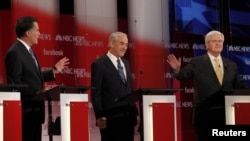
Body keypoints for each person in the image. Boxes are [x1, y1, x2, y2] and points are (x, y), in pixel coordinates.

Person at [166, 30, 248, 141]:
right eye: (214, 41)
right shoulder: (197, 62)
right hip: (205, 115)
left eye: (220, 41)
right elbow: (183, 75)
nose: (218, 43)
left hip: (227, 115)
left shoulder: (231, 64)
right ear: (206, 44)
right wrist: (177, 69)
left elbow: (239, 86)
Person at [4, 16, 70, 141]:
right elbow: (14, 85)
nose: (39, 34)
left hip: (35, 112)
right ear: (28, 33)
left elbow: (33, 77)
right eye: (37, 30)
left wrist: (54, 70)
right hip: (25, 113)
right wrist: (37, 92)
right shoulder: (15, 52)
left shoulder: (28, 51)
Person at [91, 31, 140, 141]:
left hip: (127, 117)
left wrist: (135, 112)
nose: (125, 47)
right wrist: (100, 115)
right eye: (122, 43)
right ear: (112, 44)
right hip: (110, 118)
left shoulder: (126, 63)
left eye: (126, 45)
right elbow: (96, 92)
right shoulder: (99, 64)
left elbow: (129, 90)